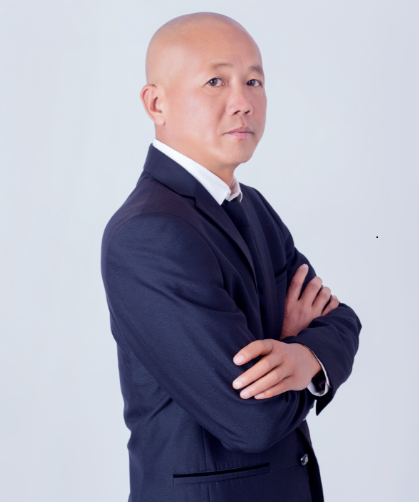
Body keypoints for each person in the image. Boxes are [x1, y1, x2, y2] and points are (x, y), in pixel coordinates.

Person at [101, 12, 361, 502]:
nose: (242, 102)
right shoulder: (147, 232)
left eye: (254, 81)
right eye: (215, 81)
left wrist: (302, 356)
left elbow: (342, 319)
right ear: (156, 103)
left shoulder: (253, 207)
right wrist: (295, 343)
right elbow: (251, 418)